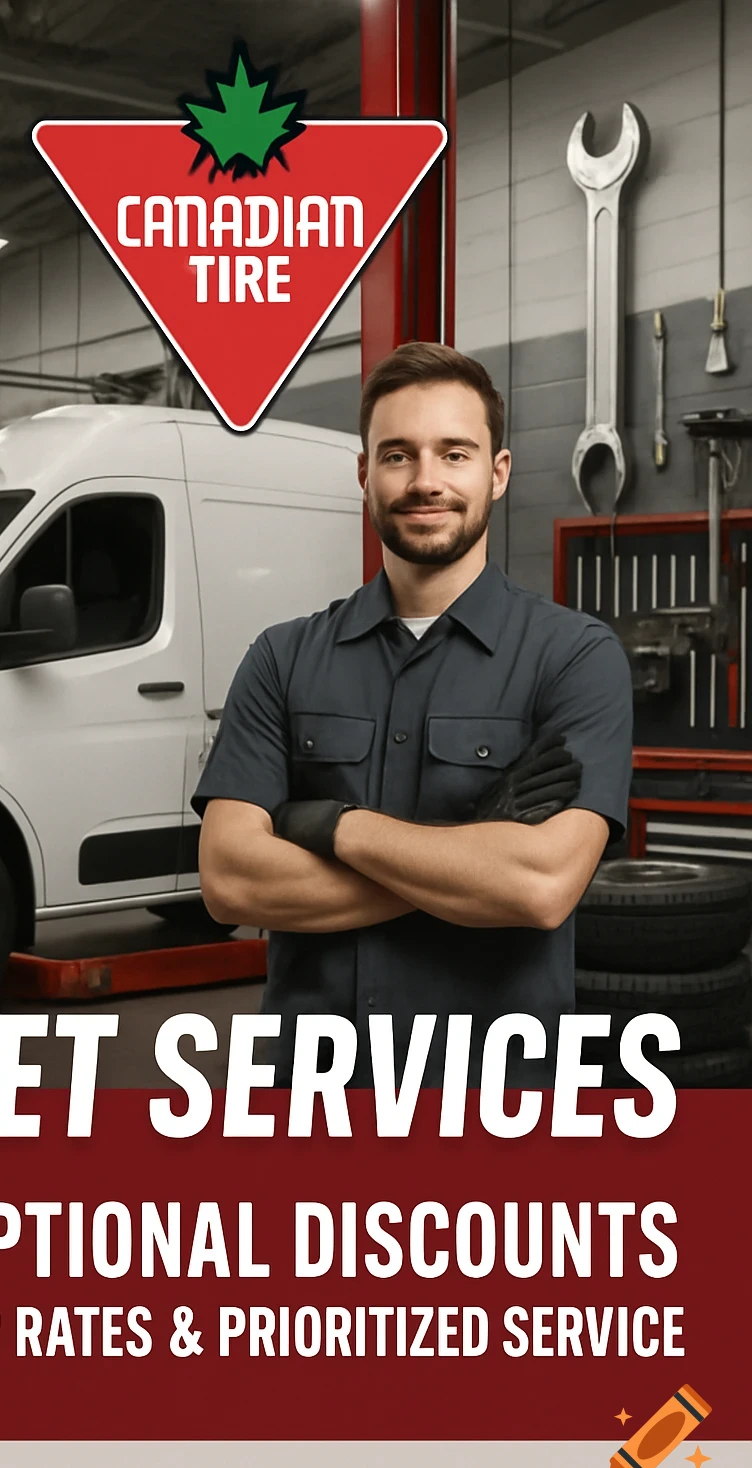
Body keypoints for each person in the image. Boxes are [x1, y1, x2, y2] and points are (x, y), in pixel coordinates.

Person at [192, 341, 633, 1087]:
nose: (425, 481)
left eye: (454, 454)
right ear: (365, 474)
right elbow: (232, 882)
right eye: (397, 455)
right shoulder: (282, 658)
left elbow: (539, 888)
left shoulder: (575, 658)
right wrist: (472, 860)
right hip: (313, 1100)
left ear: (497, 475)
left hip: (499, 1105)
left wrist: (332, 826)